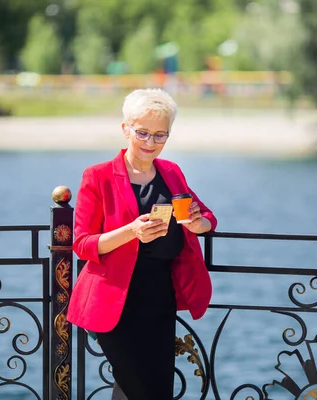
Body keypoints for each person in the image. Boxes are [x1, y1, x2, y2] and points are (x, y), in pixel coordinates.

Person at [66, 88, 217, 400]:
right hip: (114, 301)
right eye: (143, 133)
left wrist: (198, 223)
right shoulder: (98, 176)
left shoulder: (172, 172)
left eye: (160, 135)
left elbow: (205, 216)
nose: (151, 143)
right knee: (142, 390)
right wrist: (131, 231)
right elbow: (82, 244)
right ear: (126, 129)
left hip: (160, 298)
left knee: (151, 389)